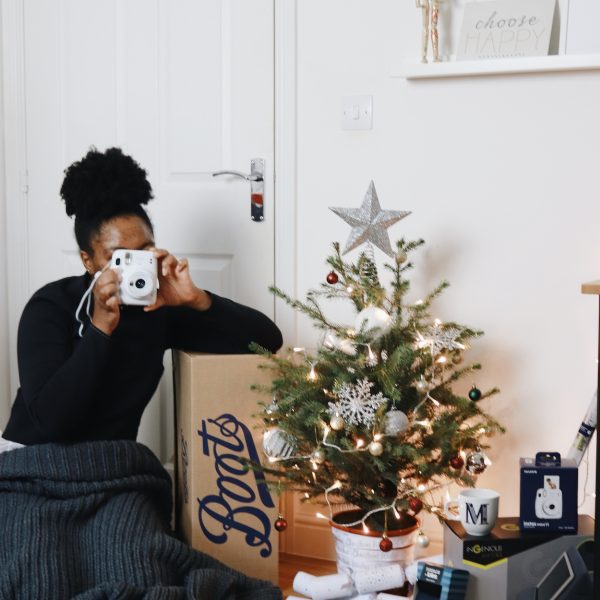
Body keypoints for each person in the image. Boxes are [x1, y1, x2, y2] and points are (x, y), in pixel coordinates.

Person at [1, 147, 283, 446]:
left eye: (144, 251)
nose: (134, 267)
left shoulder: (157, 309)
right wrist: (100, 328)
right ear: (88, 261)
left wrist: (198, 300)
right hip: (32, 457)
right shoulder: (51, 305)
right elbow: (50, 424)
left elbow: (267, 341)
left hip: (112, 464)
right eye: (120, 257)